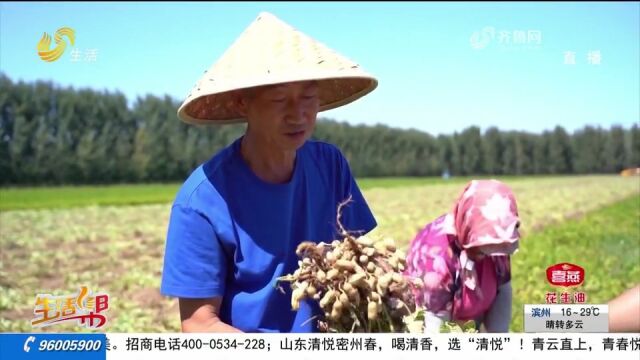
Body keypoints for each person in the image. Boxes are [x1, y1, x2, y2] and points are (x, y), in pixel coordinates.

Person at [160, 12, 378, 333]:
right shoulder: (203, 200)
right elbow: (198, 323)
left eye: (308, 97)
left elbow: (359, 260)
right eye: (279, 99)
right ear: (241, 103)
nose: (298, 114)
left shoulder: (329, 164)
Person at [404, 180, 521, 333]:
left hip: (468, 325)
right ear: (468, 231)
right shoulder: (436, 261)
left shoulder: (497, 240)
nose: (490, 256)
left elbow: (503, 293)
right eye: (482, 251)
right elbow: (433, 333)